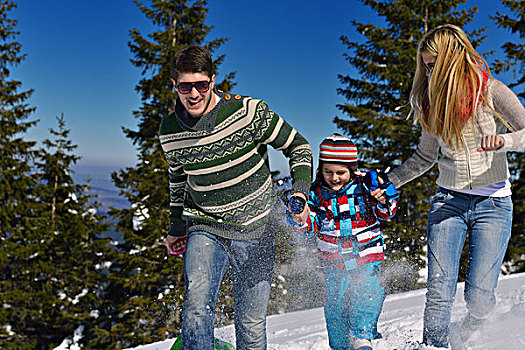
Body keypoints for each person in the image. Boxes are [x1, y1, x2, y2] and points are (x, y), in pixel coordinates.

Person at [158, 45, 312, 350]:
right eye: (185, 86)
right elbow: (178, 181)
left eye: (201, 85)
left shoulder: (248, 112)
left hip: (258, 228)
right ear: (175, 86)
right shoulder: (170, 130)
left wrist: (300, 191)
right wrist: (176, 228)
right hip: (205, 226)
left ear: (213, 81)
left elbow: (299, 146)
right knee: (196, 309)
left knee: (250, 325)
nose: (193, 94)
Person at [385, 24, 525, 349]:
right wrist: (390, 181)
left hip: (494, 205)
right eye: (427, 66)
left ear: (453, 58)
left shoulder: (491, 92)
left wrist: (503, 140)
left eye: (435, 64)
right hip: (448, 202)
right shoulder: (433, 103)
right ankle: (433, 346)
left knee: (479, 296)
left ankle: (470, 331)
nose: (430, 72)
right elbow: (424, 157)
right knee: (438, 289)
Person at [288, 133, 399, 350]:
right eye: (328, 172)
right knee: (336, 306)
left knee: (368, 290)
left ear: (352, 169)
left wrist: (385, 199)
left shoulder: (366, 187)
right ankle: (341, 346)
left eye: (341, 172)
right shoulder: (315, 193)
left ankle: (362, 337)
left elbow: (386, 213)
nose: (335, 177)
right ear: (321, 170)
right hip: (334, 262)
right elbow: (311, 225)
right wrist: (300, 220)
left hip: (366, 255)